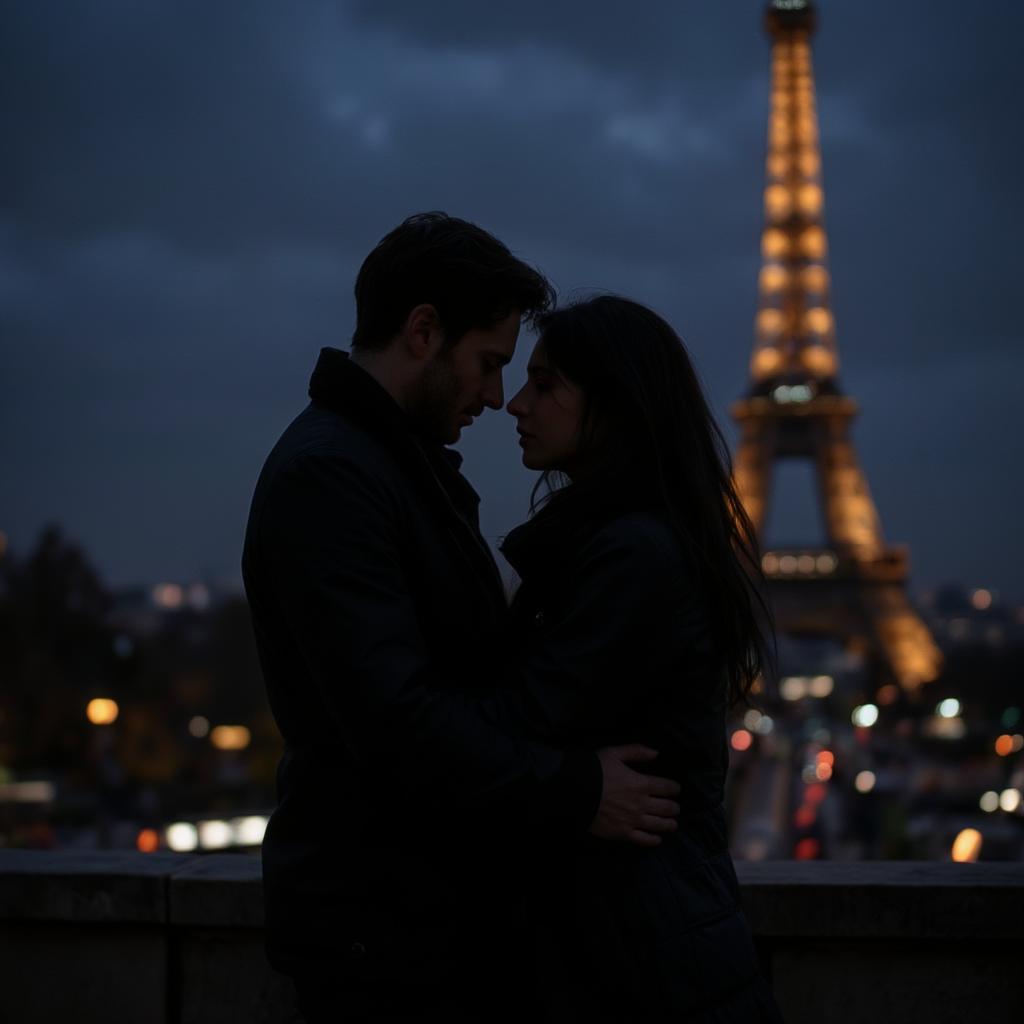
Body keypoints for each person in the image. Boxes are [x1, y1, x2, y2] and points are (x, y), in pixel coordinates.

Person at [241, 215, 682, 1023]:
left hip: (404, 923)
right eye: (488, 365)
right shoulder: (336, 481)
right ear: (422, 333)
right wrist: (577, 789)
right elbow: (398, 720)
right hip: (387, 935)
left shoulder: (377, 469)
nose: (494, 395)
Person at [500, 295, 786, 1021]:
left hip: (636, 958)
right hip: (656, 943)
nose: (514, 403)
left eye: (544, 383)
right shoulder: (644, 542)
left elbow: (521, 721)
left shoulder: (631, 555)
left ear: (615, 404)